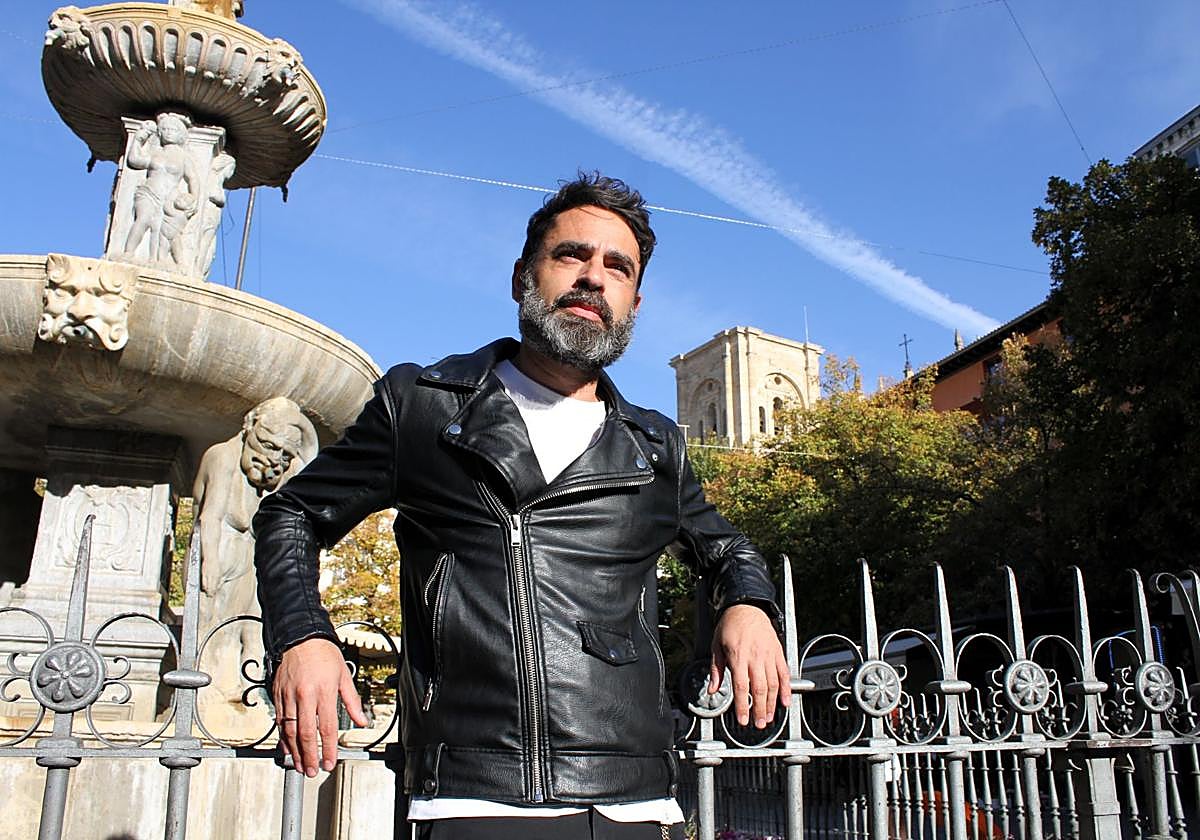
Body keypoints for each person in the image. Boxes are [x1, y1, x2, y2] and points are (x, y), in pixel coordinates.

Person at [253, 172, 790, 839]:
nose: (593, 277)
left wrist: (747, 604)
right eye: (572, 255)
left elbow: (728, 549)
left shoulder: (654, 446)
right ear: (522, 277)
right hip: (474, 798)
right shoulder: (423, 406)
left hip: (638, 802)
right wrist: (303, 635)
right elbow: (290, 514)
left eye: (617, 267)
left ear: (634, 301)